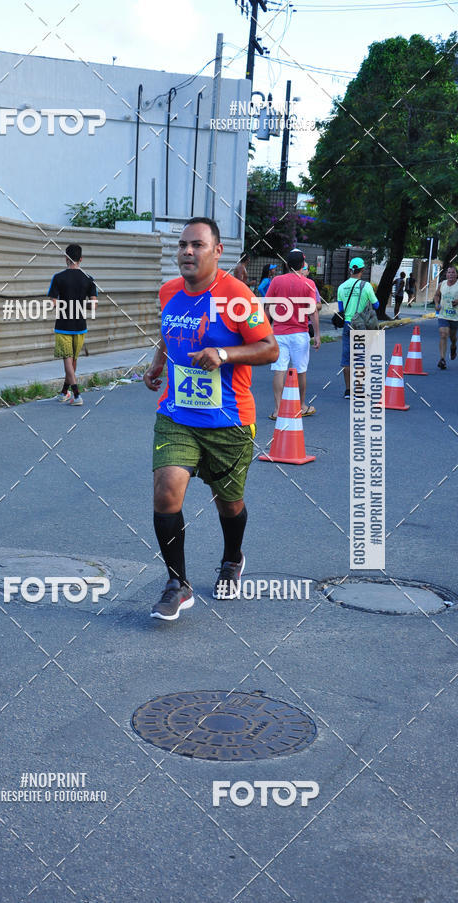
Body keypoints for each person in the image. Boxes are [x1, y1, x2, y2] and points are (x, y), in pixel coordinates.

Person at [143, 217, 278, 621]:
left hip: (229, 420)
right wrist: (156, 364)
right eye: (182, 244)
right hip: (177, 414)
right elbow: (169, 333)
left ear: (218, 251)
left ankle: (232, 558)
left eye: (197, 245)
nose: (187, 251)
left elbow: (269, 349)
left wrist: (224, 354)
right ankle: (176, 584)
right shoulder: (169, 292)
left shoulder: (238, 297)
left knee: (228, 503)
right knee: (167, 490)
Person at [265, 249, 320, 419]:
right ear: (303, 264)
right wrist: (317, 334)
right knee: (300, 371)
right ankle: (302, 406)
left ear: (287, 265)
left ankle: (278, 409)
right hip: (300, 333)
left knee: (279, 370)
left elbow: (267, 307)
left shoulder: (276, 281)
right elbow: (313, 311)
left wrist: (264, 330)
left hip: (279, 333)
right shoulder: (308, 283)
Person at [48, 244, 98, 405]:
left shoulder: (58, 277)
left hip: (63, 325)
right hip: (80, 326)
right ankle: (64, 393)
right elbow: (94, 305)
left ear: (66, 258)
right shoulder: (89, 279)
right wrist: (82, 304)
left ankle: (76, 394)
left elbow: (53, 303)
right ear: (81, 259)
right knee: (73, 360)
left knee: (67, 361)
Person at [337, 257, 379, 398]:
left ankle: (348, 390)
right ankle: (359, 390)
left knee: (347, 358)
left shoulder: (341, 287)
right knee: (361, 358)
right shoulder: (366, 286)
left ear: (350, 270)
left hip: (348, 324)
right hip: (361, 325)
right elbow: (376, 305)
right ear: (362, 270)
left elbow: (340, 308)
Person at [434, 265, 458, 369]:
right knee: (443, 334)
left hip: (455, 317)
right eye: (449, 272)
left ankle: (453, 347)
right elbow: (436, 295)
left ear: (456, 275)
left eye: (453, 272)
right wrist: (436, 304)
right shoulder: (441, 284)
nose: (451, 274)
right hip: (443, 315)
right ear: (446, 274)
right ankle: (442, 359)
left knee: (452, 338)